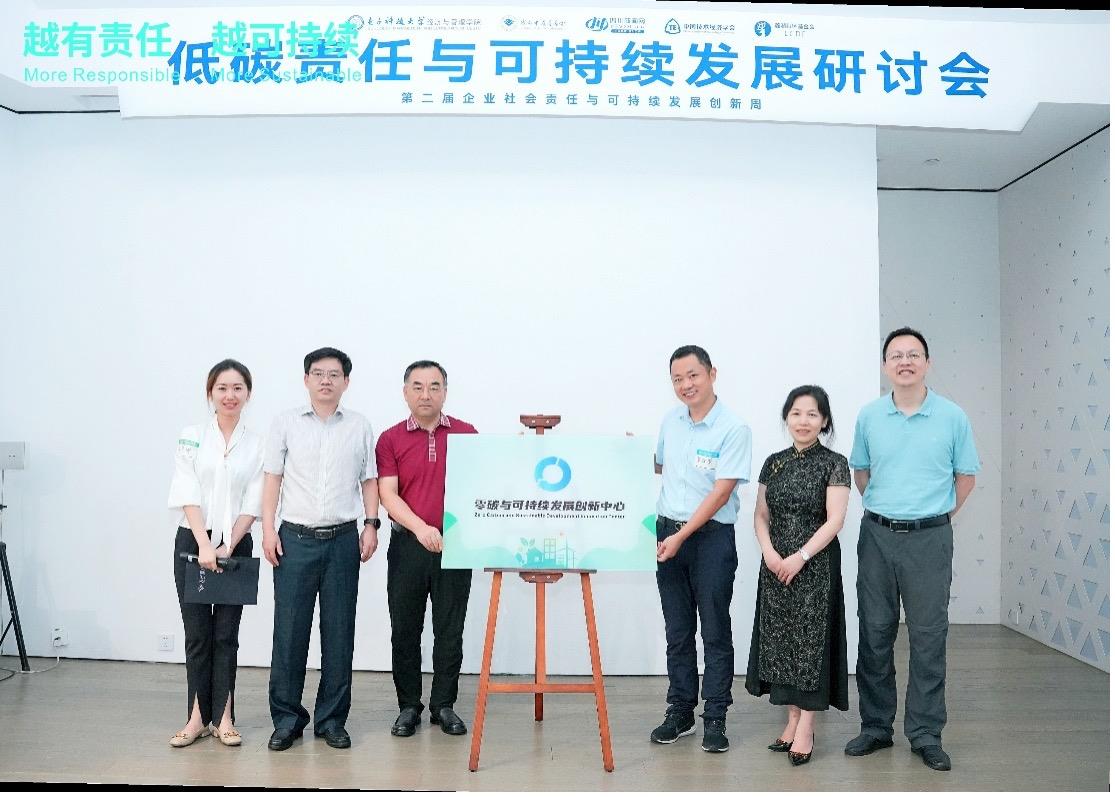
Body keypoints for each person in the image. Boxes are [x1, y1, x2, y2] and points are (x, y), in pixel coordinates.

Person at [844, 327, 980, 772]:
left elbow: (966, 478)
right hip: (877, 536)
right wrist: (891, 511)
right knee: (874, 631)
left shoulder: (952, 416)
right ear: (886, 365)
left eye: (914, 354)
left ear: (927, 363)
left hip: (930, 539)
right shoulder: (869, 416)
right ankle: (875, 727)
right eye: (897, 355)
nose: (905, 361)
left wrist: (932, 516)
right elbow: (862, 473)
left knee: (928, 636)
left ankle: (925, 733)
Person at [262, 347, 380, 752]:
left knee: (339, 633)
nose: (325, 380)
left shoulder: (359, 426)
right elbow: (273, 479)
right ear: (306, 379)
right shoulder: (285, 423)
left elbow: (369, 480)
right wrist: (268, 530)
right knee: (289, 633)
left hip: (343, 540)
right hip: (294, 540)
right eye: (318, 373)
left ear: (346, 381)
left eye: (333, 374)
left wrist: (370, 524)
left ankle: (331, 720)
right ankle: (286, 720)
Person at [651, 345, 752, 754]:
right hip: (666, 532)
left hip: (710, 538)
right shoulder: (670, 421)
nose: (686, 385)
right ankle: (680, 711)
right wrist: (626, 453)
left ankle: (715, 716)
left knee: (714, 629)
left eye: (693, 375)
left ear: (712, 373)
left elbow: (721, 492)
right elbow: (661, 464)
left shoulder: (733, 428)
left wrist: (682, 536)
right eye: (677, 379)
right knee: (677, 631)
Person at [745, 385, 851, 766]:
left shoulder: (834, 463)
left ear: (824, 421)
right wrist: (770, 553)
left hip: (815, 565)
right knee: (781, 642)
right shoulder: (773, 462)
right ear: (786, 418)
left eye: (812, 414)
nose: (803, 421)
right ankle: (791, 719)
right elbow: (761, 514)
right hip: (776, 566)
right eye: (796, 413)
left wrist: (800, 557)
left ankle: (807, 726)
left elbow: (835, 520)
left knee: (810, 643)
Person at [375, 360, 478, 738]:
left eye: (434, 386)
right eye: (417, 386)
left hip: (455, 545)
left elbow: (483, 484)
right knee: (405, 628)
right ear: (405, 392)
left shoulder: (467, 434)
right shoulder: (390, 439)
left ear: (445, 392)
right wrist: (421, 529)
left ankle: (443, 705)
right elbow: (387, 493)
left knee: (450, 628)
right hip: (408, 544)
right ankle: (408, 706)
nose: (426, 394)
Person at [167, 358, 263, 748]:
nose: (230, 395)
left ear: (248, 394)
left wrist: (228, 544)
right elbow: (186, 488)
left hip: (236, 543)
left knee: (226, 635)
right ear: (210, 393)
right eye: (222, 388)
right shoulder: (192, 436)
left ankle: (223, 717)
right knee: (197, 635)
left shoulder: (257, 444)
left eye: (238, 388)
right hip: (193, 540)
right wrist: (205, 544)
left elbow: (255, 498)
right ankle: (196, 718)